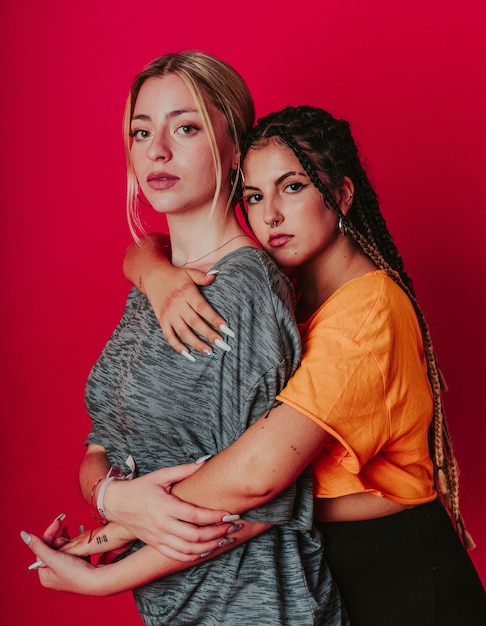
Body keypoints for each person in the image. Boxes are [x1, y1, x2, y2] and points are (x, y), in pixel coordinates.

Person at [103, 105, 486, 624]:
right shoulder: (294, 292)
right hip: (328, 563)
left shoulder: (367, 310)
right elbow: (151, 246)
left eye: (293, 187)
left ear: (343, 195)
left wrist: (123, 515)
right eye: (255, 197)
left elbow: (260, 476)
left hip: (401, 575)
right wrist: (153, 273)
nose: (270, 216)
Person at [20, 55, 347, 626]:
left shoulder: (245, 290)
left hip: (256, 607)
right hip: (178, 610)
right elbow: (101, 445)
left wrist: (101, 569)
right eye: (141, 132)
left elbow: (265, 502)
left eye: (186, 127)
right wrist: (111, 504)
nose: (157, 151)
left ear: (233, 148)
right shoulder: (158, 282)